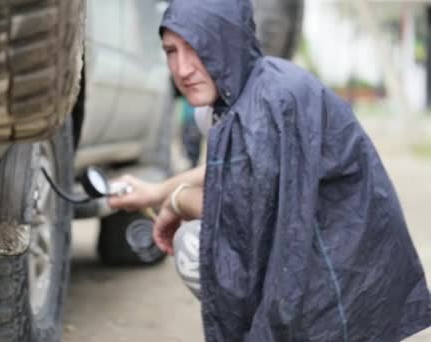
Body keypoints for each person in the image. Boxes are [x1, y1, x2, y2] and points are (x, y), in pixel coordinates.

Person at [108, 0, 431, 341]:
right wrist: (157, 192)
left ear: (227, 39)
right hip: (346, 267)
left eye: (198, 46)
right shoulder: (251, 85)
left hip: (342, 283)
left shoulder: (266, 107)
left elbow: (247, 218)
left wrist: (176, 202)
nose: (183, 67)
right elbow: (234, 173)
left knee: (195, 241)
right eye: (172, 51)